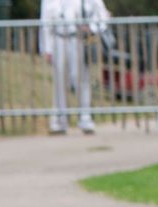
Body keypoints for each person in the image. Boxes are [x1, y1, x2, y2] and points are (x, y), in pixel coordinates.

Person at [40, 0, 109, 135]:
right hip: (57, 39)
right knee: (59, 82)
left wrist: (92, 27)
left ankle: (85, 119)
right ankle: (60, 121)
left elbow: (102, 14)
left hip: (78, 39)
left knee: (82, 80)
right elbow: (45, 22)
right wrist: (46, 48)